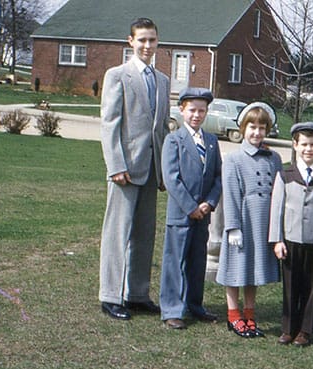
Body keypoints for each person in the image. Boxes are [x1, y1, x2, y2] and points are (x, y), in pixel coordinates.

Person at [98, 18, 170, 320]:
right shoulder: (118, 75)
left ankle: (137, 294)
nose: (147, 46)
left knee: (144, 234)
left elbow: (162, 129)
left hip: (151, 169)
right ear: (130, 41)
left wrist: (165, 171)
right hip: (125, 169)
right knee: (117, 233)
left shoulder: (163, 80)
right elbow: (110, 124)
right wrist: (116, 165)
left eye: (152, 40)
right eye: (141, 40)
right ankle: (110, 295)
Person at [268, 122, 313, 347]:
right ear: (295, 145)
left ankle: (305, 330)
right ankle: (288, 329)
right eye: (304, 144)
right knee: (291, 285)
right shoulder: (285, 175)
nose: (308, 149)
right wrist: (277, 239)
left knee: (311, 286)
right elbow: (276, 209)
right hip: (290, 239)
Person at [215, 102, 282, 338]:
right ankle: (233, 315)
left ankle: (250, 313)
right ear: (243, 128)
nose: (257, 132)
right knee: (237, 267)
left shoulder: (274, 158)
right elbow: (231, 193)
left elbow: (278, 193)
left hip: (263, 221)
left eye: (262, 128)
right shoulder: (234, 158)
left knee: (254, 268)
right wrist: (233, 227)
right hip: (243, 220)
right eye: (252, 127)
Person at [159, 87, 222, 329]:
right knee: (175, 261)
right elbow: (171, 177)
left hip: (203, 215)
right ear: (182, 110)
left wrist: (209, 203)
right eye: (192, 110)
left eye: (202, 110)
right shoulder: (173, 140)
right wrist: (190, 206)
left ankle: (194, 305)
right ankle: (172, 309)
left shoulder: (212, 141)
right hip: (181, 214)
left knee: (197, 262)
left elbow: (217, 176)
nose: (197, 115)